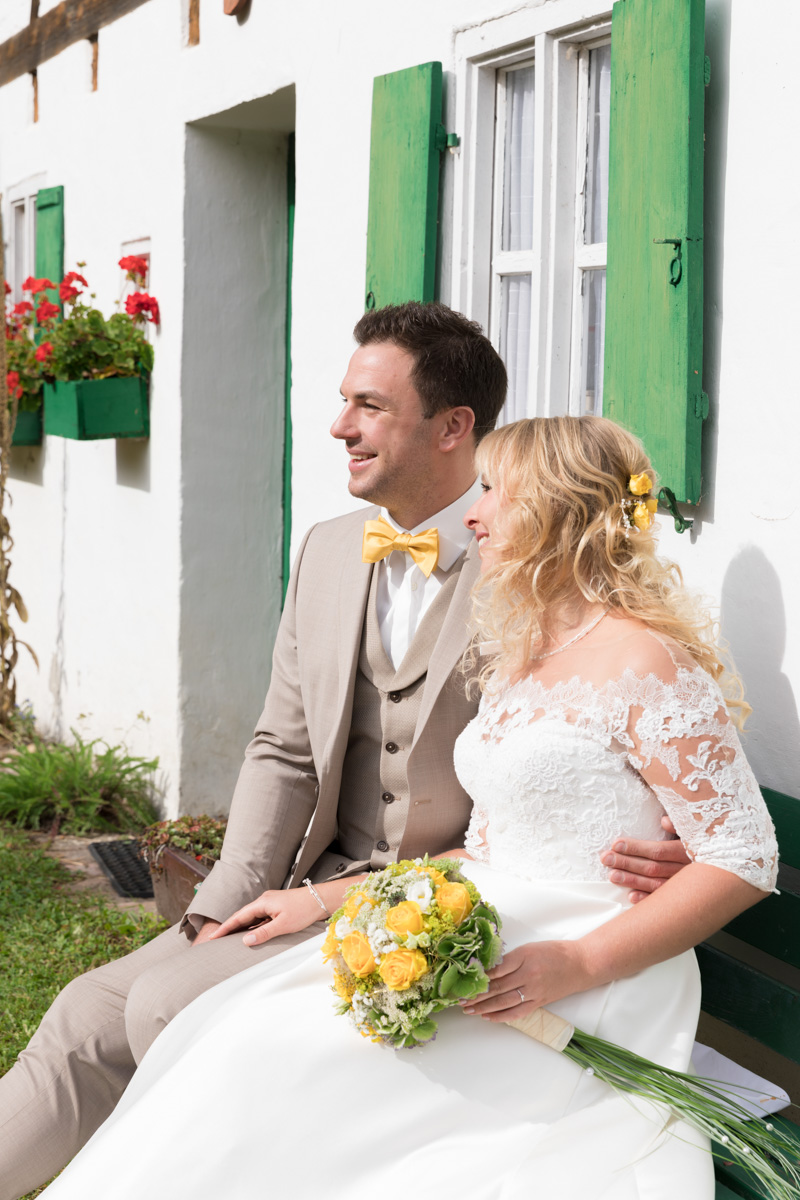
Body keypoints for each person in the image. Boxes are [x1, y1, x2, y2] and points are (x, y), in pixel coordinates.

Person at [0, 308, 685, 1200]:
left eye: (367, 404)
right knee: (86, 1012)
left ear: (452, 428)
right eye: (342, 401)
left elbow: (624, 712)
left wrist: (666, 823)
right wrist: (216, 907)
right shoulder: (328, 550)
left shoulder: (531, 564)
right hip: (310, 884)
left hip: (445, 912)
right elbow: (282, 750)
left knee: (165, 1009)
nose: (338, 426)